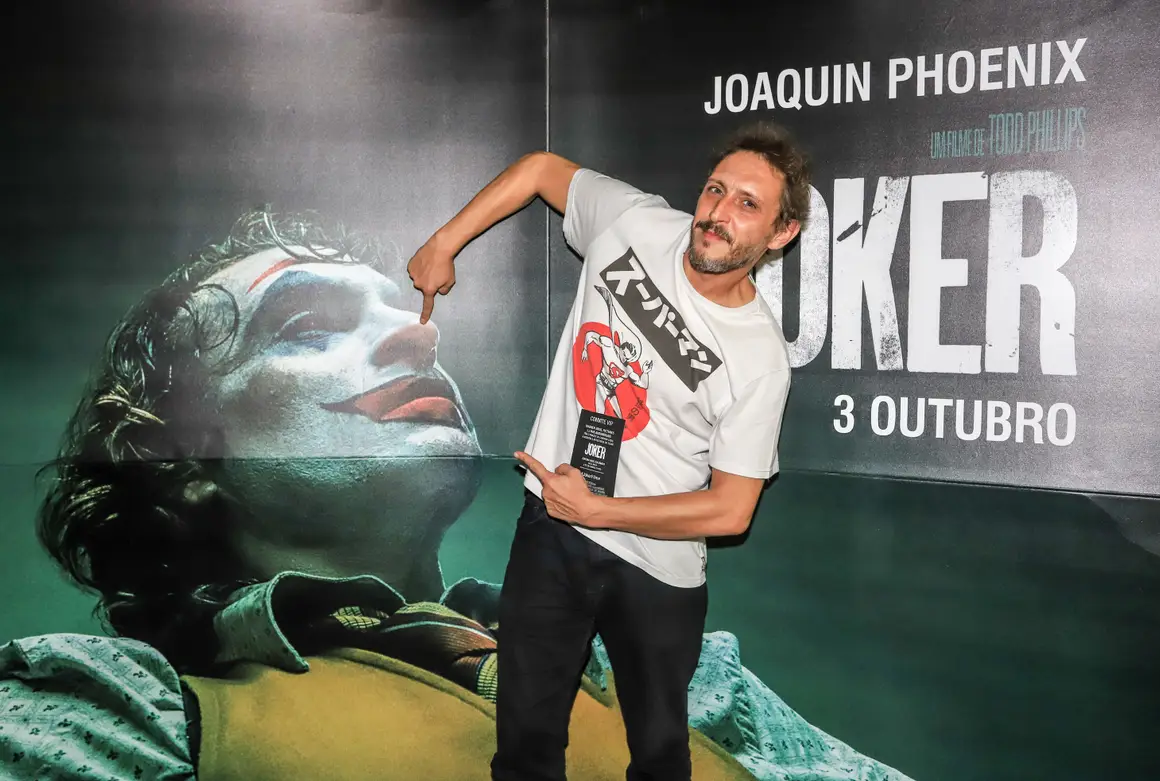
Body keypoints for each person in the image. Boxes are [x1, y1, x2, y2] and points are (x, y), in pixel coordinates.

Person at [1, 208, 917, 781]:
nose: (420, 338)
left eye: (404, 312)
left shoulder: (680, 674)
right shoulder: (115, 712)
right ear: (182, 457)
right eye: (309, 324)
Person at [408, 121, 807, 781]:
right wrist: (443, 242)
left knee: (658, 756)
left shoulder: (759, 358)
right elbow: (541, 170)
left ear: (780, 233)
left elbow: (732, 509)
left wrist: (600, 511)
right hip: (554, 528)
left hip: (657, 566)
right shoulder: (636, 222)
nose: (718, 212)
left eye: (748, 204)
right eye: (715, 190)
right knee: (525, 745)